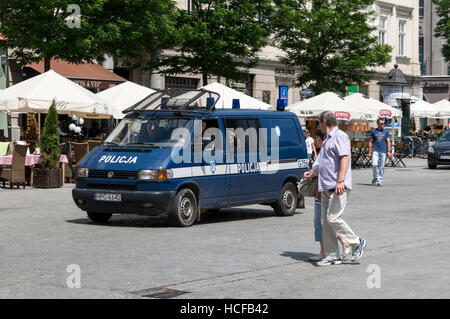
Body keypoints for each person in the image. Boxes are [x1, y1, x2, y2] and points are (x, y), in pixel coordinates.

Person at [305, 111, 366, 266]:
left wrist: (341, 180)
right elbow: (326, 162)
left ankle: (357, 242)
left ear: (324, 121)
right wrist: (314, 173)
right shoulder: (327, 140)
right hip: (325, 185)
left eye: (319, 122)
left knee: (333, 218)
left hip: (337, 186)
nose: (318, 125)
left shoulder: (340, 136)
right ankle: (332, 255)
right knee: (325, 222)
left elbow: (344, 158)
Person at [305, 128, 326, 262]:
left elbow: (323, 169)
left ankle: (352, 243)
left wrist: (314, 174)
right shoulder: (325, 150)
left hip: (322, 190)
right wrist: (312, 174)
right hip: (322, 189)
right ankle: (324, 251)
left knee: (322, 222)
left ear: (319, 138)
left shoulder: (325, 151)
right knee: (322, 222)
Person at [368, 118, 391, 187]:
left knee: (381, 167)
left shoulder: (386, 132)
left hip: (383, 151)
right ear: (377, 124)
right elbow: (370, 142)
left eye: (384, 123)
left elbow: (388, 142)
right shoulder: (373, 131)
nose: (383, 125)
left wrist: (389, 151)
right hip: (375, 150)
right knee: (374, 164)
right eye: (381, 123)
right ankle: (375, 177)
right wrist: (369, 152)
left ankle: (379, 180)